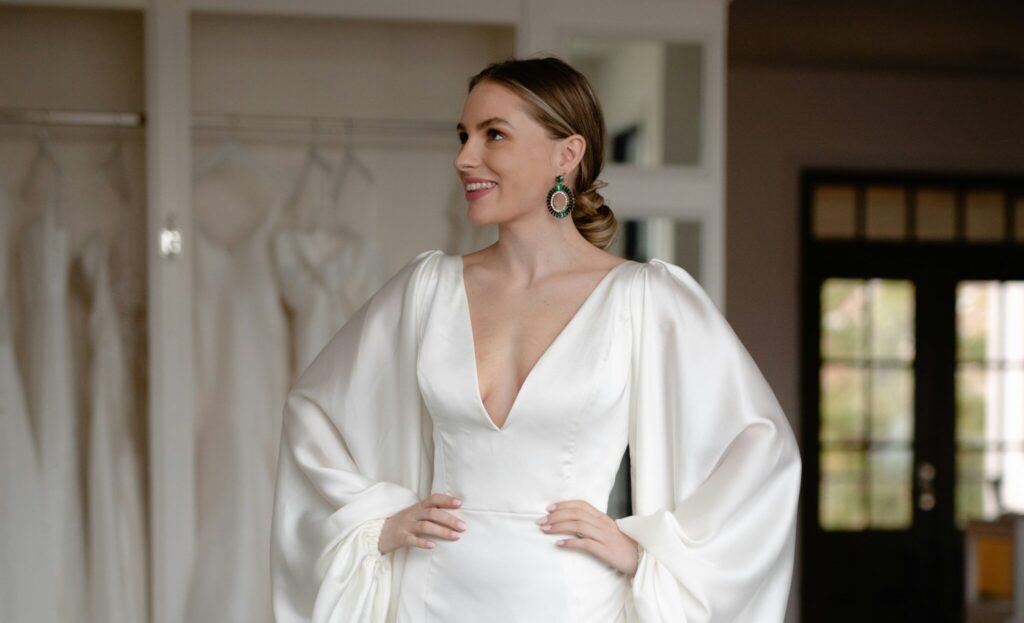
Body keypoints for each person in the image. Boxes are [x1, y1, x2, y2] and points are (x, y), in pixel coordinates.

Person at [269, 56, 802, 623]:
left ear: (566, 154)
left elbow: (760, 445)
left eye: (492, 134)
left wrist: (645, 553)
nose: (463, 158)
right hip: (430, 597)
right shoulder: (426, 289)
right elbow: (312, 414)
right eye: (463, 135)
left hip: (570, 601)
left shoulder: (641, 299)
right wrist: (378, 522)